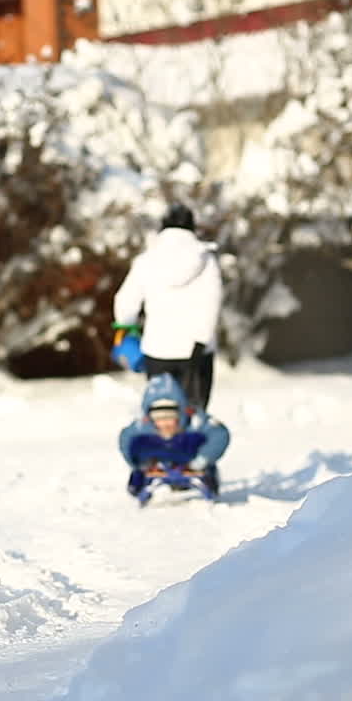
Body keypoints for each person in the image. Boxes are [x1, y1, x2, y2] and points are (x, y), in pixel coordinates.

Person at [113, 202, 222, 411]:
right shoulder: (206, 260)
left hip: (157, 350)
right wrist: (200, 342)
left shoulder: (147, 260)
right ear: (192, 227)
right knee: (195, 419)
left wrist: (126, 328)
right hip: (197, 353)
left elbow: (125, 302)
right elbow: (212, 303)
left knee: (163, 417)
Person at [119, 373, 229, 497]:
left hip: (190, 458)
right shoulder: (142, 425)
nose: (165, 423)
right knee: (139, 445)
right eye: (158, 419)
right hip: (156, 459)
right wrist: (138, 463)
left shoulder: (194, 420)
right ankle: (138, 484)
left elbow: (219, 434)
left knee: (197, 442)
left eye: (170, 417)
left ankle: (209, 480)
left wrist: (203, 458)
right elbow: (125, 439)